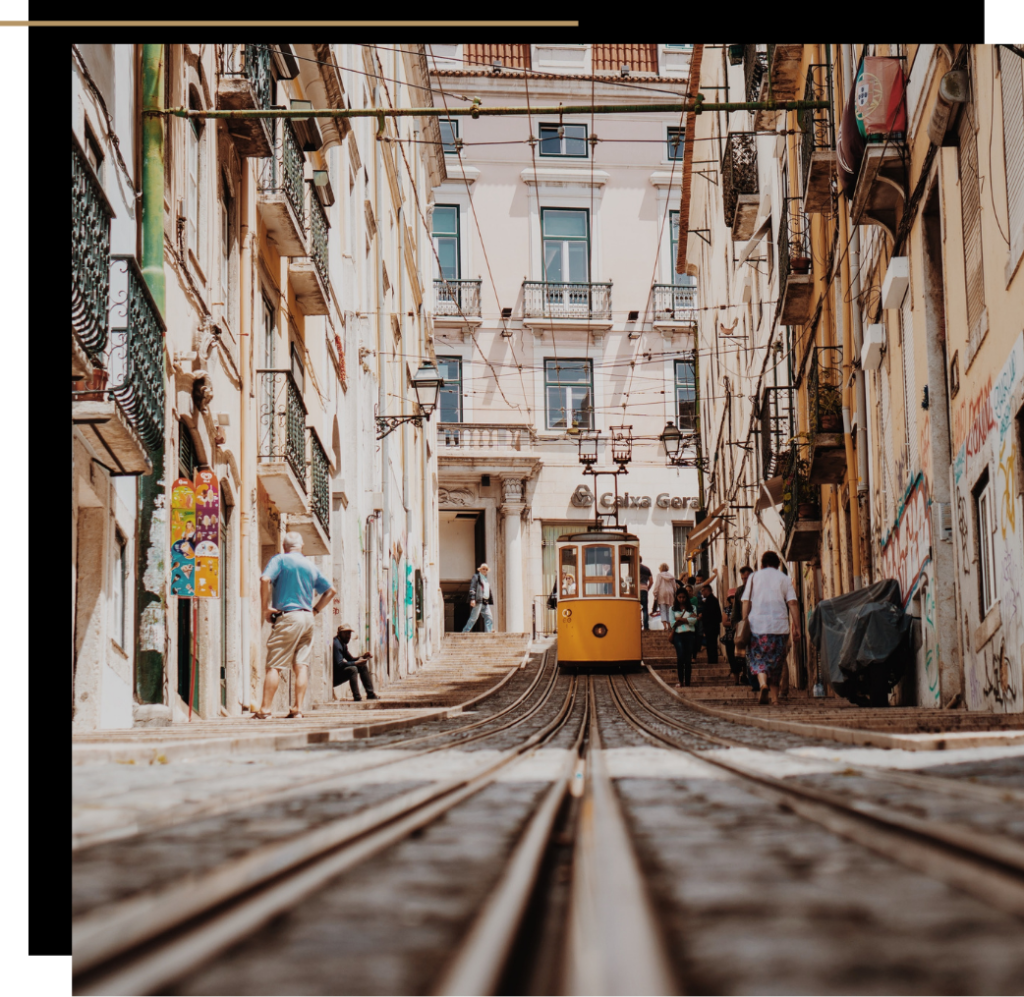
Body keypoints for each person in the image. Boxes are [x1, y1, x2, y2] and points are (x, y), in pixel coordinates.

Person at [255, 532, 336, 719]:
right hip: (308, 617)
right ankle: (298, 709)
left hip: (289, 616)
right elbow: (331, 591)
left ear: (284, 546)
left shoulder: (280, 560)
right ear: (302, 547)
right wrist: (315, 611)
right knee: (301, 665)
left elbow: (265, 579)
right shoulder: (310, 565)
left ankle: (265, 710)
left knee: (274, 665)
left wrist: (265, 608)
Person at [741, 551, 800, 705]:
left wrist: (744, 620)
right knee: (776, 663)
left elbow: (746, 601)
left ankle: (763, 684)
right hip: (779, 627)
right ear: (778, 564)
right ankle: (774, 699)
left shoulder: (754, 577)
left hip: (757, 626)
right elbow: (792, 603)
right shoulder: (784, 578)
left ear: (762, 564)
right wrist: (797, 627)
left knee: (759, 658)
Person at [333, 623, 378, 701]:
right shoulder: (336, 644)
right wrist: (355, 663)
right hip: (334, 678)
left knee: (362, 666)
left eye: (349, 633)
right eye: (346, 633)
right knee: (353, 669)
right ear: (339, 634)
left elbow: (350, 659)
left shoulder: (343, 644)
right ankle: (357, 696)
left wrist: (363, 656)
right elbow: (339, 664)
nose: (348, 636)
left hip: (338, 673)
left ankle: (370, 694)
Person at [669, 590, 698, 687]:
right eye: (680, 597)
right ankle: (681, 681)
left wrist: (680, 619)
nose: (682, 599)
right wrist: (687, 619)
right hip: (678, 635)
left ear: (687, 598)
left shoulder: (692, 608)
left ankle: (687, 682)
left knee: (688, 659)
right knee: (680, 657)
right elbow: (672, 623)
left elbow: (694, 621)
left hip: (689, 635)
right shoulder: (672, 609)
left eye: (683, 597)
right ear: (676, 598)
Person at [462, 563, 495, 632]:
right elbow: (472, 588)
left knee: (489, 618)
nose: (485, 570)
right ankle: (465, 631)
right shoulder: (476, 577)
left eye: (486, 569)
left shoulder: (486, 580)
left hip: (485, 602)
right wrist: (473, 598)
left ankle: (489, 633)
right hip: (479, 600)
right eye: (483, 569)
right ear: (480, 569)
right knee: (473, 618)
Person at [722, 590, 742, 684]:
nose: (733, 599)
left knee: (742, 658)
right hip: (730, 637)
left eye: (734, 597)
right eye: (732, 598)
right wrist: (737, 624)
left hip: (741, 636)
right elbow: (724, 622)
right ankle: (736, 680)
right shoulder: (727, 610)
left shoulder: (742, 609)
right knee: (732, 659)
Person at [650, 563, 678, 631]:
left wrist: (655, 593)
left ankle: (665, 626)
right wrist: (675, 593)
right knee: (669, 610)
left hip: (662, 593)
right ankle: (669, 626)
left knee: (663, 610)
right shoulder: (671, 576)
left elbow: (657, 585)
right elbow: (674, 586)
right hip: (670, 593)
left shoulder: (659, 575)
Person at [700, 584, 722, 664]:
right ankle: (712, 660)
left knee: (711, 645)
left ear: (707, 590)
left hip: (711, 627)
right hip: (712, 627)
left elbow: (712, 614)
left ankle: (712, 661)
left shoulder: (711, 600)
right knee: (711, 645)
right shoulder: (712, 600)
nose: (702, 593)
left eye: (703, 591)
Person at [638, 556, 653, 630]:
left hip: (636, 591)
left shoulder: (633, 568)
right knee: (645, 609)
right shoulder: (647, 569)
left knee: (636, 608)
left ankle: (638, 625)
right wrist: (647, 588)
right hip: (644, 589)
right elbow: (651, 581)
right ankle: (646, 626)